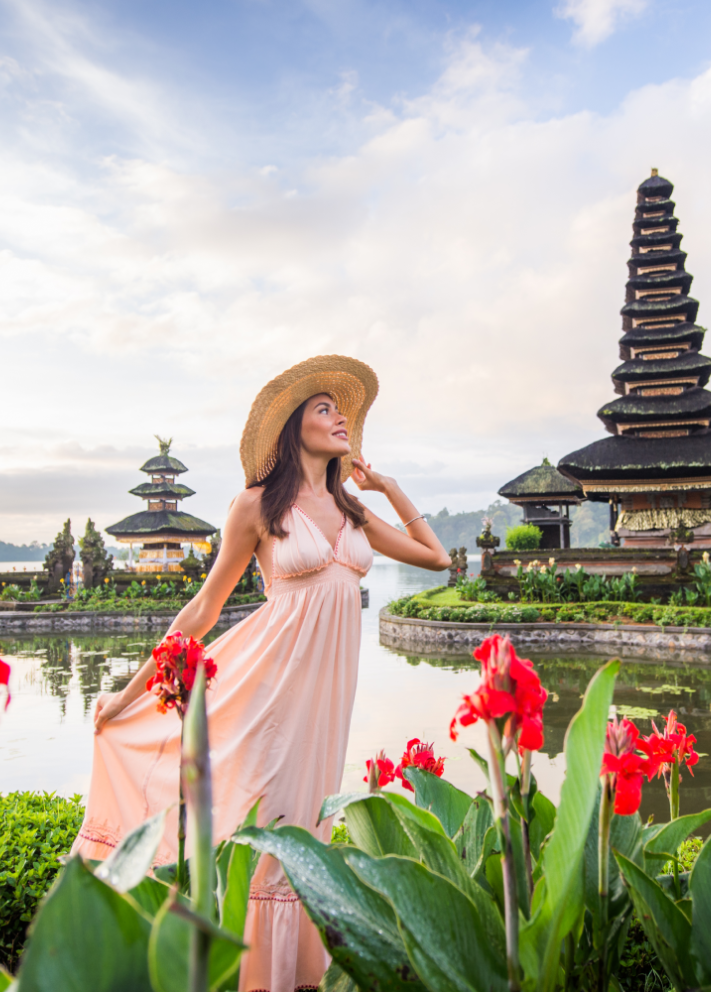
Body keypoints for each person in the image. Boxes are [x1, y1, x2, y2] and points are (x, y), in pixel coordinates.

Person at [71, 355, 450, 992]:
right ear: (294, 425)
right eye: (325, 409)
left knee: (305, 829)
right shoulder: (256, 507)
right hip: (263, 688)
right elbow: (203, 609)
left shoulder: (353, 511)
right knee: (268, 832)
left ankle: (293, 977)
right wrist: (128, 694)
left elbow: (436, 558)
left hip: (324, 702)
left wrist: (385, 488)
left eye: (343, 411)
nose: (340, 420)